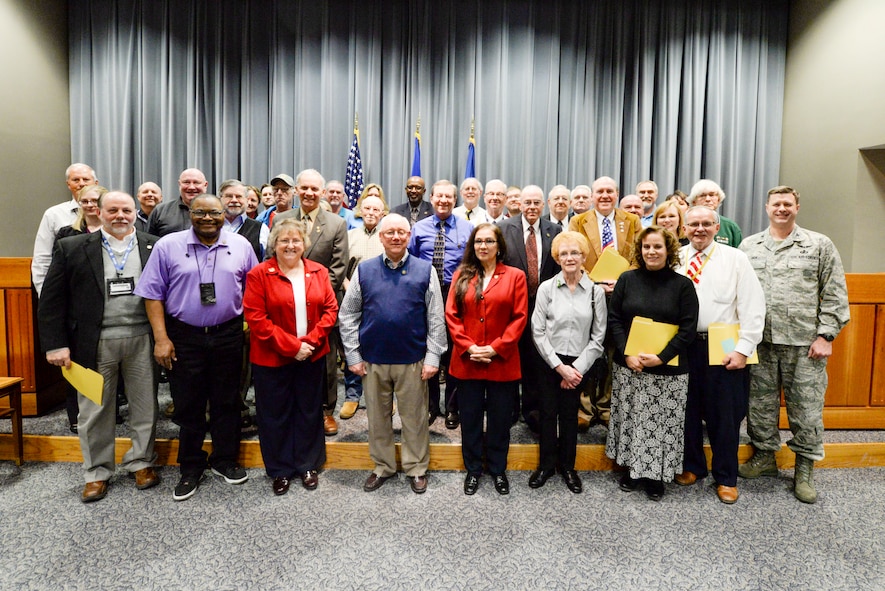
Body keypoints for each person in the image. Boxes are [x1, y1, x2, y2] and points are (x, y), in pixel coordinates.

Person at [135, 194, 258, 501]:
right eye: (200, 212)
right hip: (183, 336)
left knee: (227, 401)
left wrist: (249, 328)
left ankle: (224, 460)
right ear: (190, 213)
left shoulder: (240, 245)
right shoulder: (168, 246)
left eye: (214, 213)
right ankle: (191, 466)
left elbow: (254, 287)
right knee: (188, 404)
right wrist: (161, 339)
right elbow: (152, 295)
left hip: (228, 334)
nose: (207, 218)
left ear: (223, 215)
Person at [39, 191, 160, 502]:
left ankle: (141, 461)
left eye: (126, 210)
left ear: (136, 212)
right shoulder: (73, 247)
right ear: (98, 212)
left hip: (141, 338)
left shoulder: (153, 245)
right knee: (94, 411)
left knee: (145, 405)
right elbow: (52, 301)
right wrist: (56, 345)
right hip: (93, 343)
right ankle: (97, 472)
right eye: (113, 210)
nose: (120, 215)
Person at [738, 185, 849, 504]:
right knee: (759, 407)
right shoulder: (750, 246)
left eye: (788, 204)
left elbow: (835, 292)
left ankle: (804, 469)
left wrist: (826, 335)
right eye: (777, 204)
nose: (782, 209)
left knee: (807, 410)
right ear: (766, 207)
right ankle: (765, 458)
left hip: (805, 346)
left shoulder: (818, 245)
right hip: (761, 343)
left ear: (797, 207)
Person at [339, 214, 447, 495]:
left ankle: (416, 468)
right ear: (381, 237)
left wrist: (433, 357)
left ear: (409, 236)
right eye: (390, 233)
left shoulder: (426, 271)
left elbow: (436, 318)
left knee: (414, 419)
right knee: (377, 419)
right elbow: (348, 314)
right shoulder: (364, 270)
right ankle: (383, 466)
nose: (396, 237)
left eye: (401, 232)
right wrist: (353, 356)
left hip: (413, 361)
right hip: (373, 360)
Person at [676, 206, 765, 504]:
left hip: (724, 344)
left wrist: (743, 349)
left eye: (705, 223)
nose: (699, 229)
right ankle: (692, 467)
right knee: (686, 411)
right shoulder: (677, 258)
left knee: (724, 416)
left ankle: (726, 477)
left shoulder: (736, 258)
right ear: (685, 228)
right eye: (693, 224)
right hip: (685, 345)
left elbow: (753, 307)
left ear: (717, 227)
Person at [243, 218, 337, 495]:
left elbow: (330, 311)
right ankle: (281, 468)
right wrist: (292, 347)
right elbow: (256, 319)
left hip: (312, 354)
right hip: (273, 358)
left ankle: (308, 464)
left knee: (308, 411)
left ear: (304, 244)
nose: (291, 245)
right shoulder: (259, 274)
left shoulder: (318, 271)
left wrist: (309, 343)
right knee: (275, 414)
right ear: (274, 243)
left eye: (296, 240)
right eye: (284, 240)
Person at [606, 226, 699, 501]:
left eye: (657, 247)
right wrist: (627, 354)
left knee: (661, 424)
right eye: (647, 247)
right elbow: (615, 320)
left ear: (669, 250)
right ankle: (633, 469)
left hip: (668, 370)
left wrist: (662, 357)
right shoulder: (627, 280)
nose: (652, 252)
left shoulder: (683, 285)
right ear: (640, 250)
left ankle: (656, 476)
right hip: (631, 366)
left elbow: (688, 328)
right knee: (634, 419)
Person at [446, 223, 527, 496]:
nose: (483, 246)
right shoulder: (461, 275)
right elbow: (452, 316)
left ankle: (497, 469)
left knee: (499, 420)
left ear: (499, 246)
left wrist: (495, 348)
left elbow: (519, 317)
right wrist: (469, 347)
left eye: (489, 241)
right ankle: (473, 470)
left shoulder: (515, 276)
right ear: (473, 245)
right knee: (469, 419)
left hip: (501, 362)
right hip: (468, 362)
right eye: (479, 241)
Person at [530, 231, 607, 494]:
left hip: (579, 363)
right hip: (549, 361)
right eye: (564, 253)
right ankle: (546, 465)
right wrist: (559, 367)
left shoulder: (595, 292)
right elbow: (537, 331)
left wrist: (576, 369)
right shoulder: (546, 288)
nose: (570, 257)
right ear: (557, 257)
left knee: (570, 416)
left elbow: (598, 337)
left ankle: (568, 467)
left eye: (575, 252)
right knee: (548, 414)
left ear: (584, 256)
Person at [276, 169, 349, 436]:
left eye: (314, 189)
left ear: (322, 192)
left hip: (321, 304)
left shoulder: (336, 223)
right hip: (284, 303)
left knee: (326, 361)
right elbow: (272, 258)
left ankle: (326, 410)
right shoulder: (281, 218)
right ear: (296, 190)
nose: (309, 193)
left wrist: (310, 297)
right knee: (287, 352)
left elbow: (338, 267)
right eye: (304, 188)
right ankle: (290, 407)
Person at [569, 176, 643, 427]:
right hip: (587, 294)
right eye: (599, 191)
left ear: (617, 194)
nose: (604, 196)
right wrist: (594, 283)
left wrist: (621, 281)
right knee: (588, 350)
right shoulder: (578, 221)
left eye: (609, 191)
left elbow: (639, 256)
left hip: (621, 297)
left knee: (614, 352)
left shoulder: (632, 221)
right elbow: (573, 255)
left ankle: (606, 406)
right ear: (592, 195)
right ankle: (585, 407)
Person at [407, 179, 474, 428]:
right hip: (426, 294)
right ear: (432, 199)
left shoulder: (468, 229)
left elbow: (472, 265)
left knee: (456, 353)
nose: (443, 200)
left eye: (448, 196)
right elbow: (411, 262)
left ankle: (453, 407)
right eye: (439, 196)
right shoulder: (419, 228)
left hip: (457, 295)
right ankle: (431, 405)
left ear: (454, 200)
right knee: (430, 349)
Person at [498, 186, 562, 431]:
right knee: (511, 358)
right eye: (528, 202)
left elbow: (556, 270)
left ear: (543, 205)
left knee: (537, 361)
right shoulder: (504, 229)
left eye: (537, 203)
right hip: (511, 307)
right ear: (519, 204)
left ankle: (532, 410)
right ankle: (512, 408)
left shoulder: (554, 231)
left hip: (543, 308)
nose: (532, 207)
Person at [339, 194, 386, 420]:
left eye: (375, 209)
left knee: (380, 348)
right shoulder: (349, 236)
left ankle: (382, 397)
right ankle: (352, 395)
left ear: (382, 213)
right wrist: (350, 289)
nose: (370, 213)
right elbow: (340, 268)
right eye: (366, 208)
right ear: (360, 210)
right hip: (353, 298)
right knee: (353, 345)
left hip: (381, 301)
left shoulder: (388, 237)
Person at [32, 163, 98, 296]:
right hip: (66, 288)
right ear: (68, 184)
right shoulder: (53, 214)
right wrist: (45, 294)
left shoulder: (109, 213)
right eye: (75, 180)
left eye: (86, 179)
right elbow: (43, 258)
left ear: (96, 183)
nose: (81, 184)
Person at [146, 168, 209, 237]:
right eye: (186, 182)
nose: (191, 187)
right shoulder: (160, 211)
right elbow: (149, 241)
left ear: (205, 185)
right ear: (179, 184)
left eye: (196, 182)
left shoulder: (217, 212)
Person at [219, 179, 269, 261]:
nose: (234, 200)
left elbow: (268, 262)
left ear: (246, 200)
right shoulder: (210, 226)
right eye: (229, 196)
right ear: (220, 199)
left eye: (239, 196)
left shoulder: (261, 229)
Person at [687, 180, 742, 246]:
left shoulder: (730, 227)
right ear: (694, 202)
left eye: (712, 195)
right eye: (702, 195)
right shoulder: (686, 224)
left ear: (718, 200)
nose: (708, 199)